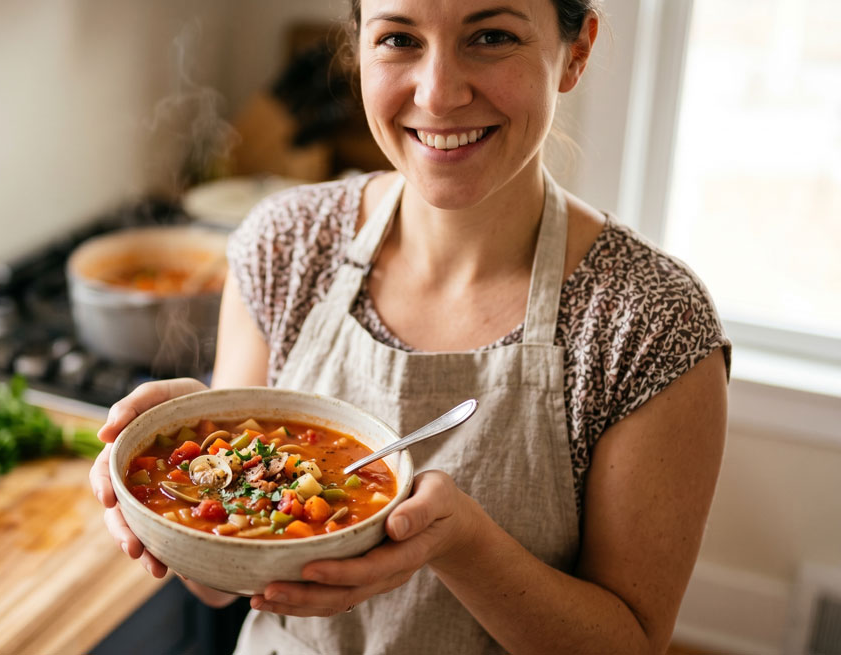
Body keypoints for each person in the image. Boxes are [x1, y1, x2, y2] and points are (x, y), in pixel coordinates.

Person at [90, 0, 731, 652]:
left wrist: (461, 544)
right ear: (359, 48)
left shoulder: (652, 323)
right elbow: (222, 584)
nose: (439, 92)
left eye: (491, 35)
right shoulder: (283, 246)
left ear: (576, 52)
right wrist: (172, 494)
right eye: (399, 38)